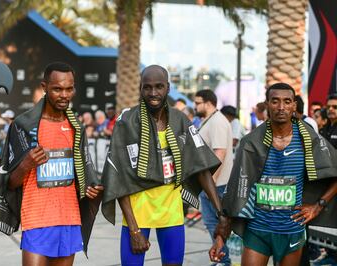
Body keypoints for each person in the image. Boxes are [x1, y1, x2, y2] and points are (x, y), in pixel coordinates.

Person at [101, 65, 228, 265]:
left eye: (159, 86)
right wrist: (134, 229)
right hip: (137, 213)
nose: (153, 93)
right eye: (147, 87)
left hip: (171, 212)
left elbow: (201, 168)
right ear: (140, 88)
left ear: (168, 88)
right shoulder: (126, 121)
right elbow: (118, 179)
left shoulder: (180, 121)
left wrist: (221, 213)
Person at [209, 83, 337, 266]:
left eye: (287, 101)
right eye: (275, 101)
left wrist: (318, 206)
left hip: (292, 230)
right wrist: (221, 236)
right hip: (258, 230)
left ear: (294, 105)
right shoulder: (251, 142)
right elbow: (236, 189)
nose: (281, 107)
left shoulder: (308, 139)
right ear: (267, 104)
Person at [0, 62, 103, 265]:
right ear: (44, 87)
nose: (64, 95)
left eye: (69, 89)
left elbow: (82, 175)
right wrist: (26, 165)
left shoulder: (76, 128)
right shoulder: (23, 126)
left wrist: (90, 189)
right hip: (37, 220)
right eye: (57, 89)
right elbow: (10, 184)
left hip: (70, 219)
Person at [195, 90, 234, 265]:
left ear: (209, 103)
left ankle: (223, 261)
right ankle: (221, 259)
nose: (195, 106)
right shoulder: (209, 121)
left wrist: (211, 182)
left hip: (216, 185)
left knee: (217, 226)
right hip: (210, 184)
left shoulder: (217, 122)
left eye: (198, 103)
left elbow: (220, 153)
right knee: (213, 225)